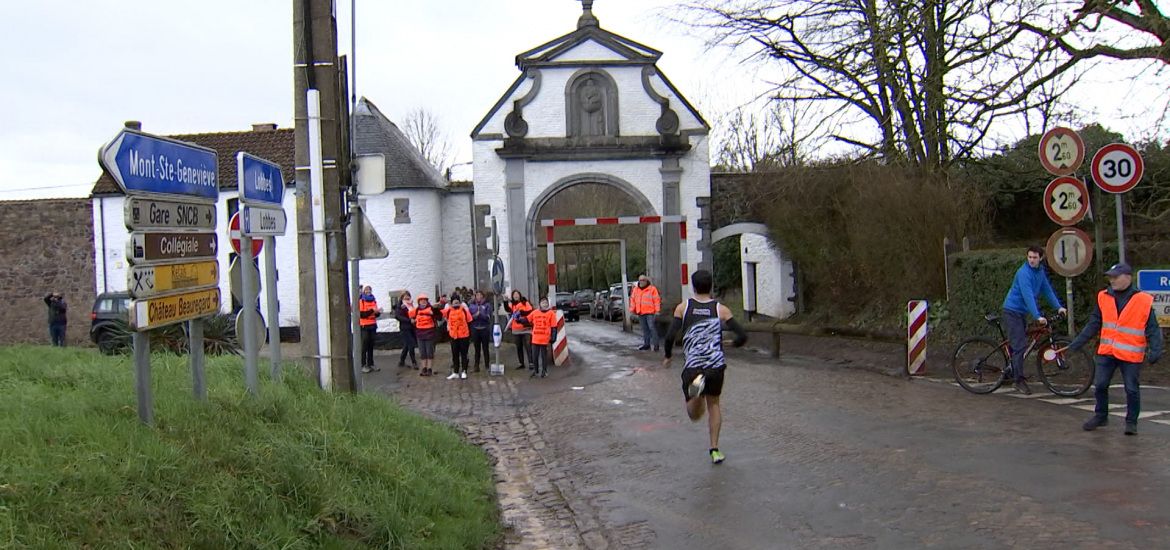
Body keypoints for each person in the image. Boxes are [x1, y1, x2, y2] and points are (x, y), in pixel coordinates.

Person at [1060, 263, 1163, 435]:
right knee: (1100, 385)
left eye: (1115, 276)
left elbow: (1152, 328)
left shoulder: (1142, 300)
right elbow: (1094, 323)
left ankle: (1131, 422)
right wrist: (1077, 343)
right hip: (1107, 351)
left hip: (1130, 354)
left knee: (1131, 388)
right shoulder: (1103, 296)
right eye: (1110, 277)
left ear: (1128, 277)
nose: (1112, 280)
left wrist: (1155, 350)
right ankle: (1101, 416)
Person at [663, 270, 748, 465]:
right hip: (716, 366)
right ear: (711, 286)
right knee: (714, 405)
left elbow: (669, 337)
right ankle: (714, 449)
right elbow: (742, 336)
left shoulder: (683, 308)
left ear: (693, 286)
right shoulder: (722, 310)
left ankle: (696, 393)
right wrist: (730, 344)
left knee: (694, 414)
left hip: (694, 367)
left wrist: (668, 356)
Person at [1001, 246, 1067, 395]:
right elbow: (1027, 296)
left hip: (1021, 312)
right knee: (1020, 346)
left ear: (1041, 258)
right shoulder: (1023, 273)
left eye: (1034, 257)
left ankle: (1012, 368)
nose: (1031, 260)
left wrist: (1059, 307)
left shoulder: (1040, 271)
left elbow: (1047, 290)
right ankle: (1018, 381)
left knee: (1020, 343)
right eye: (1029, 257)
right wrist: (1037, 316)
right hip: (1012, 311)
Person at [521, 297, 559, 378]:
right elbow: (527, 319)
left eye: (546, 303)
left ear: (548, 304)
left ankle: (544, 371)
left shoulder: (551, 313)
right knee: (535, 356)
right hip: (535, 338)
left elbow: (554, 327)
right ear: (540, 304)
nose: (544, 304)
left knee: (544, 356)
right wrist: (519, 319)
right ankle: (536, 370)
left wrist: (553, 337)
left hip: (545, 339)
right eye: (543, 302)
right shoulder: (535, 312)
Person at [409, 294, 442, 377]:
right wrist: (412, 320)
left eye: (425, 300)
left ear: (427, 301)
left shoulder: (432, 308)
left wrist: (434, 310)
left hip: (430, 333)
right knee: (422, 353)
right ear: (419, 301)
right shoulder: (416, 310)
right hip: (420, 334)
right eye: (421, 300)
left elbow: (439, 317)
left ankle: (430, 369)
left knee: (429, 352)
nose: (423, 301)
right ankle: (424, 368)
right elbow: (411, 318)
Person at [443, 295, 473, 380]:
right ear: (451, 302)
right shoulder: (449, 311)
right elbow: (446, 320)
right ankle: (455, 372)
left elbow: (469, 321)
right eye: (454, 301)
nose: (456, 302)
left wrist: (469, 335)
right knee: (455, 354)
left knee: (464, 354)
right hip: (454, 336)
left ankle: (464, 371)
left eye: (457, 301)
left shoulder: (464, 310)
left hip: (464, 336)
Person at [504, 290, 534, 370]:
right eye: (514, 295)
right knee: (518, 346)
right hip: (516, 329)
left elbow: (530, 311)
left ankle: (531, 362)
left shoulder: (525, 302)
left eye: (517, 294)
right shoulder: (513, 305)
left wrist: (521, 312)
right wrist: (505, 301)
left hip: (526, 328)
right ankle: (521, 363)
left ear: (520, 295)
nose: (516, 296)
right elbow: (507, 309)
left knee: (528, 345)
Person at [630, 275, 662, 351]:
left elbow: (656, 300)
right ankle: (646, 344)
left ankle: (656, 345)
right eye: (640, 280)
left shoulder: (652, 289)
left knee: (651, 328)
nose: (641, 282)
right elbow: (633, 300)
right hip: (640, 312)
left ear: (646, 281)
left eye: (643, 280)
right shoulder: (636, 290)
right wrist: (632, 310)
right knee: (644, 329)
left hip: (650, 312)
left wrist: (657, 311)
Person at [358, 285, 382, 373]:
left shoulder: (373, 300)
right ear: (364, 291)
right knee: (364, 346)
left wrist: (378, 312)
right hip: (364, 325)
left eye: (369, 290)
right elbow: (362, 314)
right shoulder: (361, 300)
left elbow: (376, 314)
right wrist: (372, 311)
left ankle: (371, 364)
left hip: (372, 325)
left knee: (371, 345)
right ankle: (363, 365)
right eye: (366, 290)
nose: (368, 291)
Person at [468, 290, 493, 373]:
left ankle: (487, 365)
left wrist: (481, 314)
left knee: (485, 348)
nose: (478, 297)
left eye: (480, 295)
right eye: (477, 295)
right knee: (476, 349)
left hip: (484, 328)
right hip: (475, 329)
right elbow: (469, 318)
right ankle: (476, 366)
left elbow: (488, 317)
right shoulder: (471, 305)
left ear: (482, 296)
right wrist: (475, 316)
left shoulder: (487, 305)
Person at [395, 291, 418, 369]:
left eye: (408, 296)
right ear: (402, 297)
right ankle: (414, 362)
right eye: (405, 296)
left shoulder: (411, 305)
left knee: (407, 345)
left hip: (412, 327)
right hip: (405, 328)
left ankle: (401, 361)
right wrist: (409, 320)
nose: (407, 297)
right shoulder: (400, 306)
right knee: (411, 344)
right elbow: (398, 316)